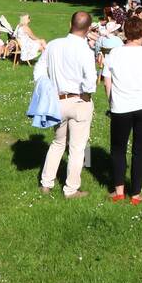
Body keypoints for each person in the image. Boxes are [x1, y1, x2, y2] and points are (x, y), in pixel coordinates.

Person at [103, 17, 142, 204]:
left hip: (121, 106)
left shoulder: (114, 54)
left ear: (125, 33)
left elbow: (108, 83)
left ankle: (119, 191)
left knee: (118, 149)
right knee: (141, 150)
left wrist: (111, 103)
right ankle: (136, 194)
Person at [37, 12, 99, 198]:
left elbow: (39, 70)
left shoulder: (54, 45)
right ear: (88, 30)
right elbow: (91, 80)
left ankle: (46, 183)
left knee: (57, 142)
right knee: (77, 147)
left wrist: (47, 89)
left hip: (57, 100)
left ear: (69, 23)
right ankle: (71, 189)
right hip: (79, 99)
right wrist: (87, 94)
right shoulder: (85, 51)